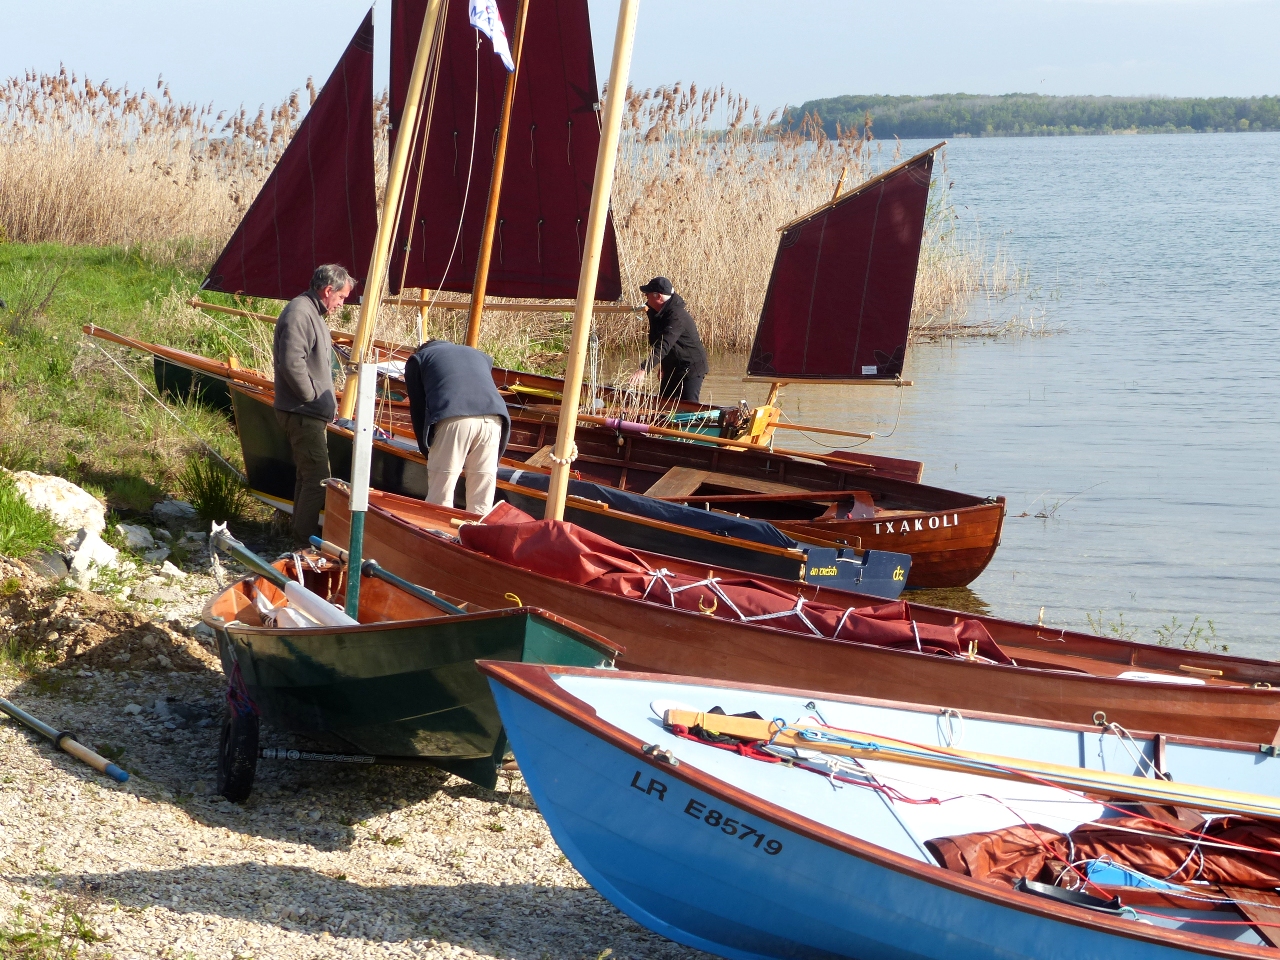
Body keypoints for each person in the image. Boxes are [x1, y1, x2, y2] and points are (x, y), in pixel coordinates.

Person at [273, 263, 353, 546]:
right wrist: (311, 399)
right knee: (319, 480)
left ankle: (297, 538)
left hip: (307, 413)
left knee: (306, 478)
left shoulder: (309, 312)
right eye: (341, 297)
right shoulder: (299, 313)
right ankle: (303, 543)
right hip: (302, 413)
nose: (341, 304)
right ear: (328, 290)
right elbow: (291, 362)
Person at [404, 339, 511, 515]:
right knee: (482, 492)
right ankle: (475, 535)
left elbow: (418, 409)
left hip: (454, 418)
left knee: (442, 489)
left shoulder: (419, 359)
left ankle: (438, 533)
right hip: (495, 419)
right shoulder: (478, 355)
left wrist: (427, 450)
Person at [628, 276, 709, 403]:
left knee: (689, 407)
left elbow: (663, 345)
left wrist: (643, 369)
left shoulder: (676, 317)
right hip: (672, 367)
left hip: (691, 367)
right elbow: (661, 341)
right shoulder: (658, 313)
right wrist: (665, 365)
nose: (646, 298)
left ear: (658, 296)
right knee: (663, 405)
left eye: (647, 294)